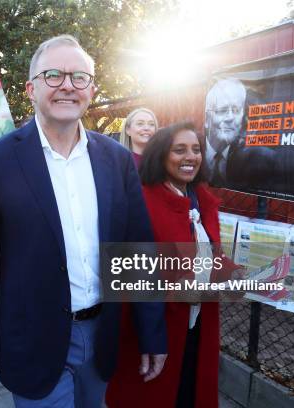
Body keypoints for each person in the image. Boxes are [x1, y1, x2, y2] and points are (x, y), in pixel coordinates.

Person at [0, 34, 167, 407]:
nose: (67, 85)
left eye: (79, 77)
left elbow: (138, 254)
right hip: (33, 344)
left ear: (92, 88)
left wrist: (153, 335)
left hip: (102, 338)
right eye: (53, 75)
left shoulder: (116, 160)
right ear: (31, 88)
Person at [106, 122, 242, 408]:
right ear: (160, 155)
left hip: (197, 325)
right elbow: (124, 272)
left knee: (190, 392)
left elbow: (208, 257)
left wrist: (241, 276)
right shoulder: (141, 200)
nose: (190, 157)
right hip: (155, 331)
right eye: (179, 150)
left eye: (196, 150)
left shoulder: (202, 200)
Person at [204, 78, 246, 185]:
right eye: (222, 110)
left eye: (236, 110)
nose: (230, 117)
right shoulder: (193, 152)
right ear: (207, 119)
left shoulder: (250, 160)